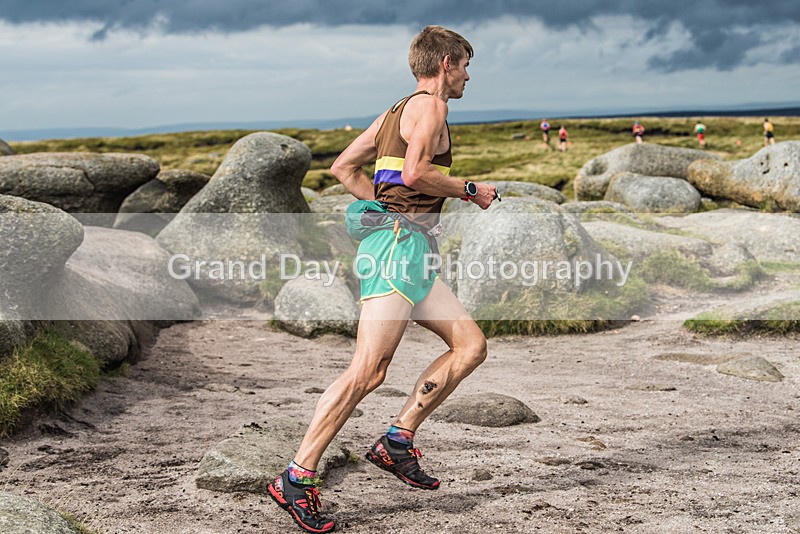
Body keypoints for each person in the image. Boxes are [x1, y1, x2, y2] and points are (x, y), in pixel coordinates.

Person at [267, 25, 498, 533]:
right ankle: (296, 477)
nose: (467, 76)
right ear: (445, 64)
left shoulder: (394, 111)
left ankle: (397, 439)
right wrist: (470, 188)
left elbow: (344, 166)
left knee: (470, 345)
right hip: (395, 251)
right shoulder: (432, 107)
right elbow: (415, 174)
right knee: (368, 370)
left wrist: (380, 207)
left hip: (407, 248)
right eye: (464, 66)